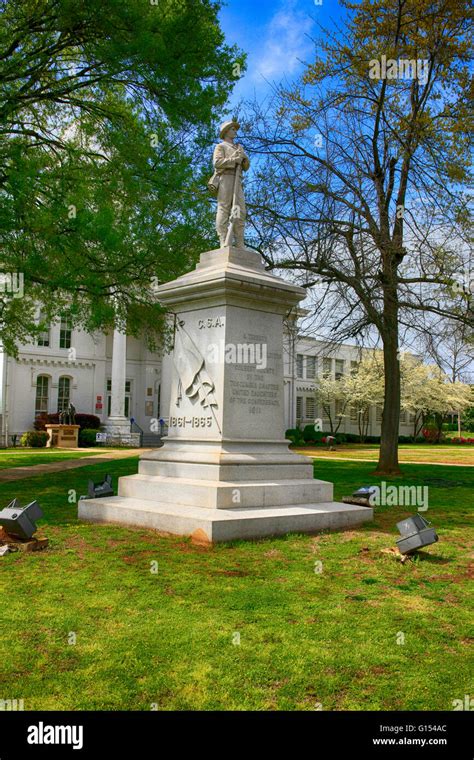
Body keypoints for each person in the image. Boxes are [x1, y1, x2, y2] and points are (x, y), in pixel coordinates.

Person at [212, 120, 250, 248]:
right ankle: (223, 240)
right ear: (226, 131)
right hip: (225, 179)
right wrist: (234, 160)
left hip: (237, 180)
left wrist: (244, 158)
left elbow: (246, 166)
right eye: (232, 129)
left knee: (240, 210)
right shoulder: (221, 146)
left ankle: (240, 242)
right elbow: (217, 163)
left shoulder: (239, 148)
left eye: (235, 129)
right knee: (224, 208)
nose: (235, 131)